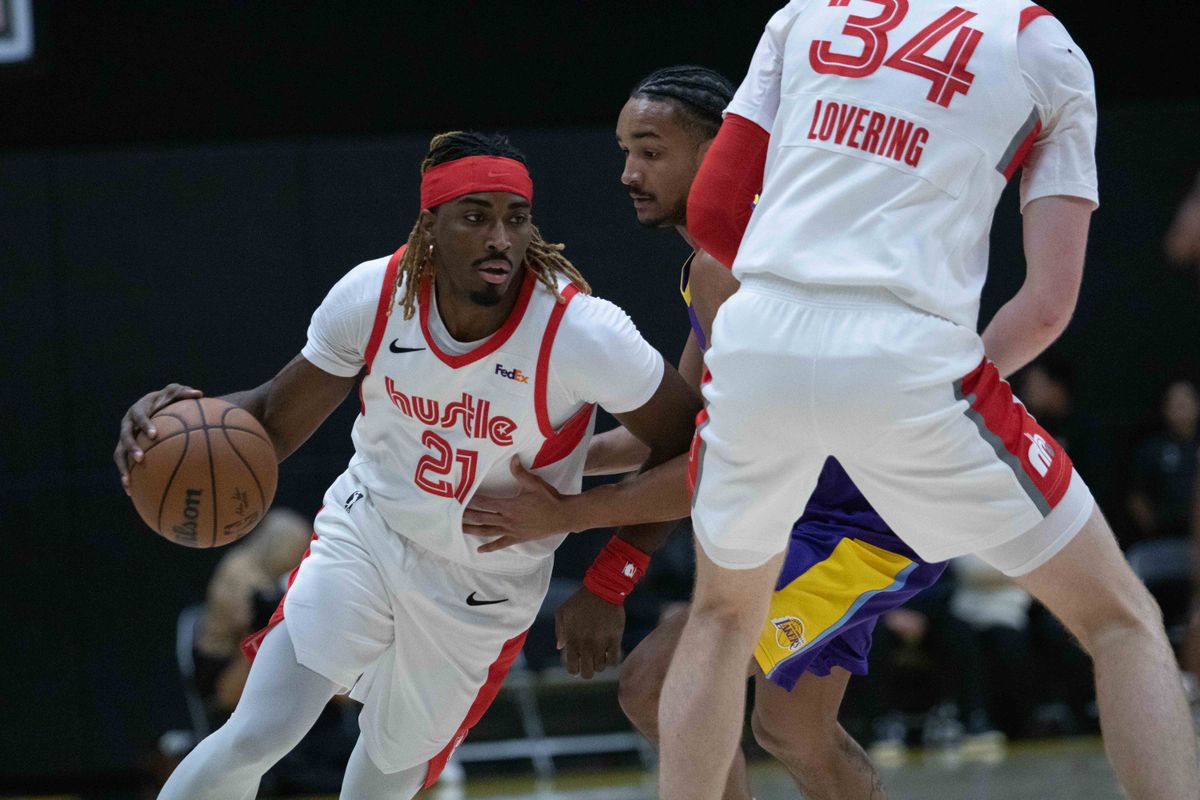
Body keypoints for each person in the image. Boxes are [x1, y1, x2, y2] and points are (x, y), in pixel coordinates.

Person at [656, 3, 1200, 799]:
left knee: (718, 621)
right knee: (1120, 621)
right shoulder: (1041, 45)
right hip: (907, 350)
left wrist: (805, 284)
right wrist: (931, 388)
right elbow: (1049, 304)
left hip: (761, 334)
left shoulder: (802, 16)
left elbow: (710, 211)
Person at [114, 130, 700, 800]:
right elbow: (272, 420)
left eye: (515, 218)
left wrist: (610, 578)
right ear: (431, 225)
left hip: (483, 586)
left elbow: (695, 453)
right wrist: (170, 423)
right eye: (476, 218)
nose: (500, 239)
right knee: (258, 732)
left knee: (378, 783)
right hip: (369, 536)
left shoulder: (582, 334)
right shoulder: (376, 294)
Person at [465, 65, 947, 799]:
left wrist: (575, 523)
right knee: (794, 732)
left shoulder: (748, 264)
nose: (629, 172)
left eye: (652, 151)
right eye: (624, 151)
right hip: (814, 510)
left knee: (662, 684)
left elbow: (711, 462)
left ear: (721, 148)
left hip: (867, 518)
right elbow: (682, 427)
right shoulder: (709, 265)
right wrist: (534, 461)